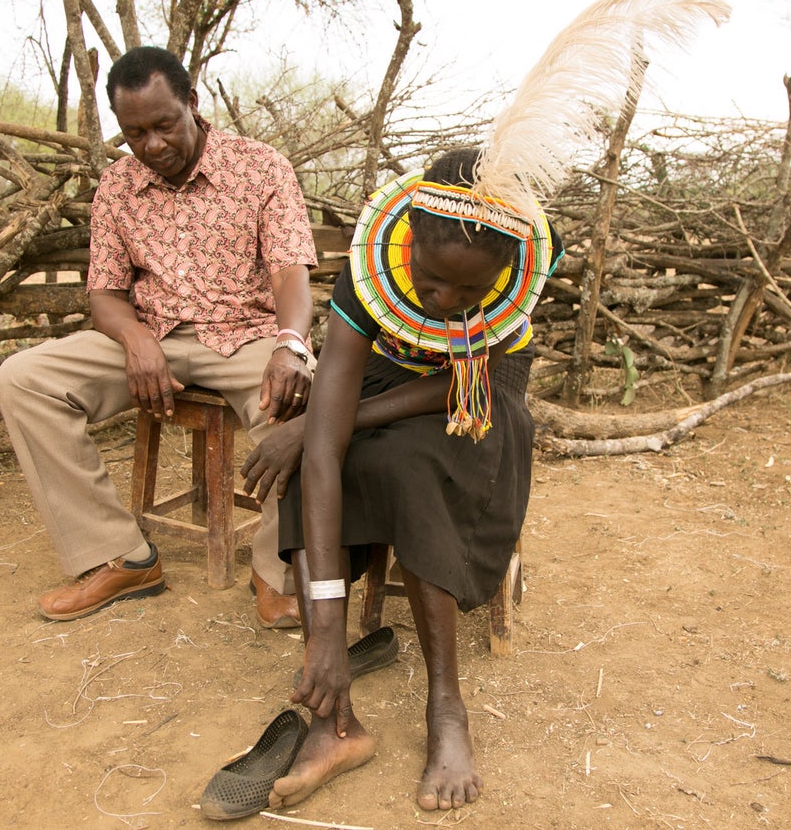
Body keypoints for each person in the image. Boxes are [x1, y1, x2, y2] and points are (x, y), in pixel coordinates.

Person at [239, 147, 561, 811]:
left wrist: (336, 416)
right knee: (311, 469)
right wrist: (328, 631)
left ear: (498, 276)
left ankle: (446, 706)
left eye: (466, 292)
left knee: (409, 467)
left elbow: (464, 382)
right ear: (409, 240)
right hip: (390, 377)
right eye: (433, 279)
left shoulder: (521, 262)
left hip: (478, 394)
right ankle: (334, 718)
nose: (445, 301)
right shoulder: (369, 277)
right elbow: (326, 452)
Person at [0, 46, 317, 628]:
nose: (151, 146)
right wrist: (136, 340)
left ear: (193, 103)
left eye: (164, 125)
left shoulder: (261, 166)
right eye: (134, 133)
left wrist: (291, 343)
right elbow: (104, 295)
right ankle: (121, 556)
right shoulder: (117, 186)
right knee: (23, 380)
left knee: (302, 406)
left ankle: (276, 574)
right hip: (154, 336)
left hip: (247, 334)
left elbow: (291, 271)